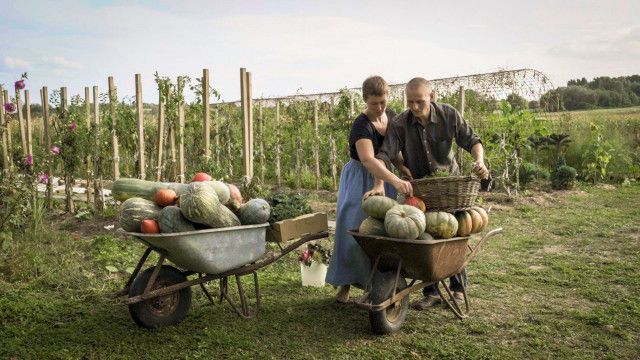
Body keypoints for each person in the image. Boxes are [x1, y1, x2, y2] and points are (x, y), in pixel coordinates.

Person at [362, 77, 489, 310]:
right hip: (420, 190)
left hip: (450, 188)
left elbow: (472, 140)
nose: (414, 107)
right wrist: (380, 184)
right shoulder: (400, 123)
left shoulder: (448, 115)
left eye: (419, 101)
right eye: (410, 102)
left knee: (452, 234)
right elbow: (384, 155)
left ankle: (458, 289)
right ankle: (431, 291)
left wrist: (479, 161)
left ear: (432, 96)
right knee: (425, 238)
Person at [325, 76, 412, 303]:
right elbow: (368, 160)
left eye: (383, 102)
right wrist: (393, 180)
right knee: (352, 231)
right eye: (374, 103)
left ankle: (372, 288)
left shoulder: (390, 116)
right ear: (365, 100)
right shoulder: (361, 125)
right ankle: (344, 285)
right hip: (360, 177)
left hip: (384, 177)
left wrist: (402, 166)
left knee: (377, 234)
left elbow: (392, 150)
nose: (380, 108)